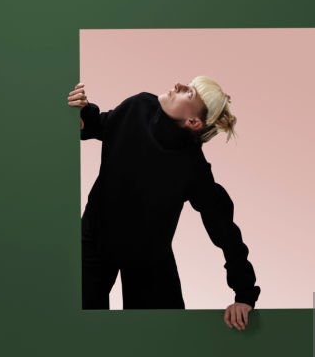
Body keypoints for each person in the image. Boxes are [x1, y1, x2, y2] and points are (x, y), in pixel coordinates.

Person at [69, 77, 260, 330]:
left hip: (149, 259)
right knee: (79, 328)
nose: (179, 85)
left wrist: (244, 295)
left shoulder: (192, 166)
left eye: (189, 93)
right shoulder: (138, 106)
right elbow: (98, 126)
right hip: (95, 241)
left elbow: (223, 227)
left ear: (193, 122)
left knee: (161, 341)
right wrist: (81, 111)